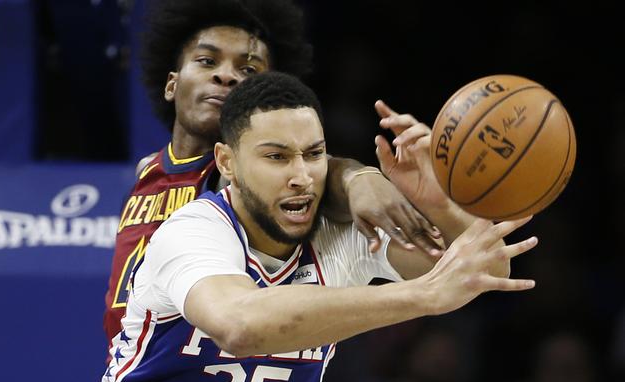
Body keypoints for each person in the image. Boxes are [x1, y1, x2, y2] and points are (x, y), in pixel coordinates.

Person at [75, 71, 538, 382]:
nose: (302, 176)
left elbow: (488, 272)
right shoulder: (192, 231)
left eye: (313, 154)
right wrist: (423, 296)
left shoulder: (343, 238)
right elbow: (241, 325)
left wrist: (437, 201)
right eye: (276, 157)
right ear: (227, 162)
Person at [103, 0, 441, 344]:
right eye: (207, 61)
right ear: (171, 84)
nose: (226, 75)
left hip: (218, 358)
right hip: (135, 369)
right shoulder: (148, 169)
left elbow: (320, 177)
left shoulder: (243, 178)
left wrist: (357, 179)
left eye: (248, 70)